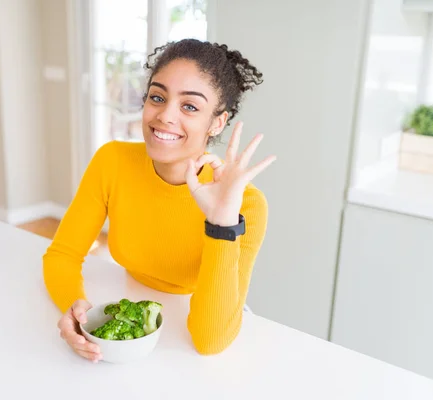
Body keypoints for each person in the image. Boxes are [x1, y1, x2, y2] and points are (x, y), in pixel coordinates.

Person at [43, 38, 276, 362]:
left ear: (217, 122)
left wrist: (222, 222)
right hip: (130, 298)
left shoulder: (246, 204)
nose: (165, 115)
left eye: (190, 106)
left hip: (205, 318)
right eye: (157, 97)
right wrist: (75, 308)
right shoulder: (112, 162)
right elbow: (62, 255)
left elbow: (209, 341)